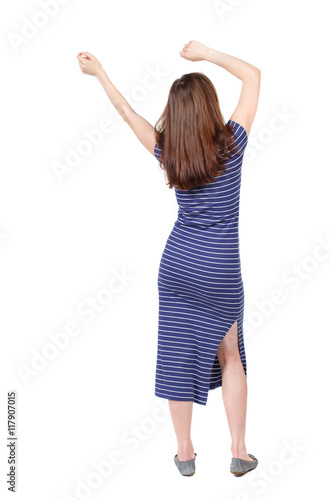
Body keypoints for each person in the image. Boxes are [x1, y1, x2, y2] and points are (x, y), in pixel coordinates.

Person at [77, 40, 261, 477]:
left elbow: (128, 115)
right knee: (229, 353)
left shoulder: (169, 152)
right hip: (219, 267)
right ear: (210, 108)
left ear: (176, 116)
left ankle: (184, 454)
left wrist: (101, 73)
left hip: (177, 263)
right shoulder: (232, 144)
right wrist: (207, 54)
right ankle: (238, 450)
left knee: (177, 354)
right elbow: (253, 75)